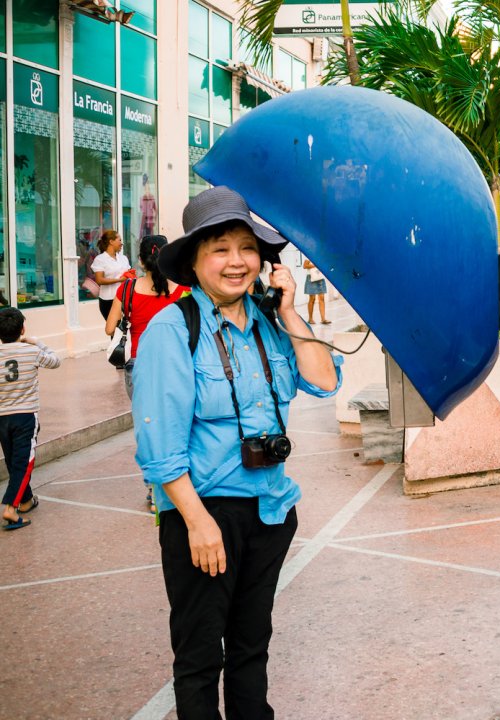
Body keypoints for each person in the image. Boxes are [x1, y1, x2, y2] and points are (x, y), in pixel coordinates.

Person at [133, 186, 341, 717]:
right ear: (196, 261)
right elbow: (160, 447)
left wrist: (291, 311)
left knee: (252, 650)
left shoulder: (271, 322)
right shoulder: (173, 329)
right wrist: (199, 523)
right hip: (203, 513)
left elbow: (322, 381)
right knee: (201, 657)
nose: (236, 262)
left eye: (247, 248)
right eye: (220, 248)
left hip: (271, 509)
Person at [105, 235, 190, 400]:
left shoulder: (127, 288)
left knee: (144, 418)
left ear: (141, 261)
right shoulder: (184, 290)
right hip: (174, 361)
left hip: (138, 361)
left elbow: (109, 328)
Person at [0, 307, 62, 531]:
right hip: (25, 416)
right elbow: (56, 361)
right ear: (22, 329)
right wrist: (37, 343)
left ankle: (25, 501)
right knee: (23, 463)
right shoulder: (32, 352)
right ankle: (10, 507)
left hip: (2, 418)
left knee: (12, 460)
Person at [90, 230, 134, 321]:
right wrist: (119, 280)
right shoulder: (100, 259)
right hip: (108, 300)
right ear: (111, 241)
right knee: (114, 330)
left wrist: (131, 274)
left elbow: (128, 274)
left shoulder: (123, 258)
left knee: (126, 329)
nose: (122, 243)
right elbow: (99, 280)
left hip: (125, 299)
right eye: (119, 240)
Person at [302, 258, 329, 324]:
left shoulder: (320, 255)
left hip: (320, 277)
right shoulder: (309, 256)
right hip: (311, 277)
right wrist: (315, 265)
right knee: (312, 299)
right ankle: (310, 319)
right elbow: (305, 266)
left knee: (322, 298)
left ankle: (323, 319)